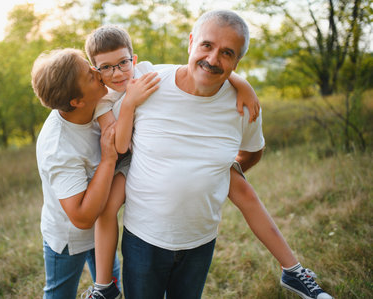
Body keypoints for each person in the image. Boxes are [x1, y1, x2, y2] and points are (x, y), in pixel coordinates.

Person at [117, 10, 333, 299]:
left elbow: (253, 153)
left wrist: (222, 174)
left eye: (227, 53)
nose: (213, 59)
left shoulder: (244, 107)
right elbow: (101, 79)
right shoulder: (146, 80)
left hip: (200, 241)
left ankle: (293, 270)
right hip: (144, 239)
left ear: (237, 61)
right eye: (207, 45)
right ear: (191, 42)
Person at [81, 25, 263, 299]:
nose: (117, 73)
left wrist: (243, 84)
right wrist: (129, 103)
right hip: (123, 162)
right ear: (96, 71)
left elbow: (198, 67)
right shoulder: (103, 101)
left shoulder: (145, 74)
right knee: (107, 209)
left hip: (149, 160)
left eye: (123, 63)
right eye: (106, 68)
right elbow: (120, 146)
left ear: (135, 59)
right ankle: (104, 285)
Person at [32, 48, 122, 299]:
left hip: (101, 230)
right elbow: (81, 218)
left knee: (110, 292)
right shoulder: (58, 148)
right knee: (59, 294)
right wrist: (108, 159)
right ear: (76, 101)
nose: (98, 71)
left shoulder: (96, 101)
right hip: (68, 239)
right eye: (89, 74)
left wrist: (240, 84)